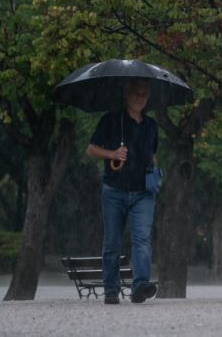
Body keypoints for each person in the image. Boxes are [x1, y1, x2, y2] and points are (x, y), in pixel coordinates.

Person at [86, 78, 159, 305]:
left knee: (142, 239)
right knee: (112, 242)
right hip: (114, 191)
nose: (140, 97)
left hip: (143, 193)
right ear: (126, 94)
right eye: (136, 92)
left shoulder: (151, 125)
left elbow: (153, 154)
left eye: (144, 94)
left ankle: (140, 286)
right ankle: (111, 289)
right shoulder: (110, 120)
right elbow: (91, 149)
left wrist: (155, 174)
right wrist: (113, 154)